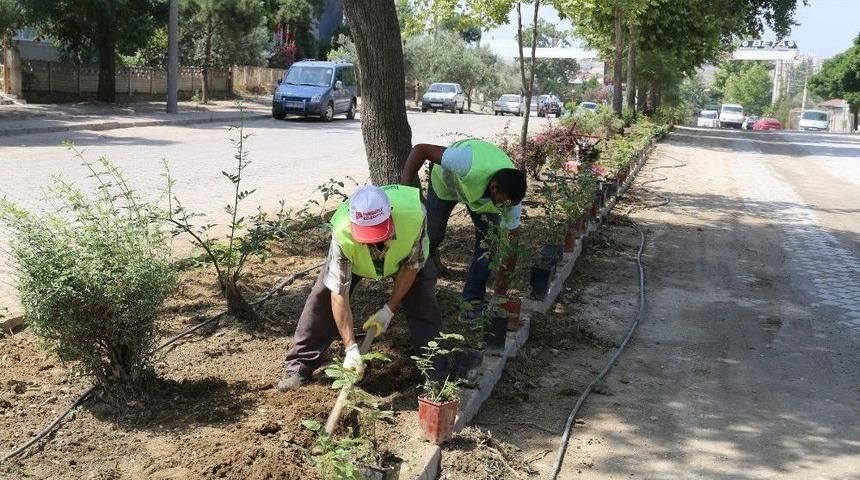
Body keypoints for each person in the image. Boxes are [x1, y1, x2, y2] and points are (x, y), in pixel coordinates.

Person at [278, 184, 443, 391]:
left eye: (379, 233)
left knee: (422, 300)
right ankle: (299, 364)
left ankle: (435, 369)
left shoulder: (414, 215)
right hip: (355, 261)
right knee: (322, 299)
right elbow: (338, 293)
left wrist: (389, 309)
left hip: (406, 257)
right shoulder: (343, 232)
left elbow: (412, 267)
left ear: (390, 216)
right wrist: (351, 348)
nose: (374, 241)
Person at [400, 139, 527, 305]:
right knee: (432, 235)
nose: (505, 209)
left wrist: (500, 294)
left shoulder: (511, 200)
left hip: (476, 195)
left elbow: (511, 246)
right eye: (503, 204)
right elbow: (421, 150)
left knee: (488, 245)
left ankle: (472, 300)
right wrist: (403, 191)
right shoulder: (466, 162)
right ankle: (406, 284)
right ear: (494, 188)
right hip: (445, 186)